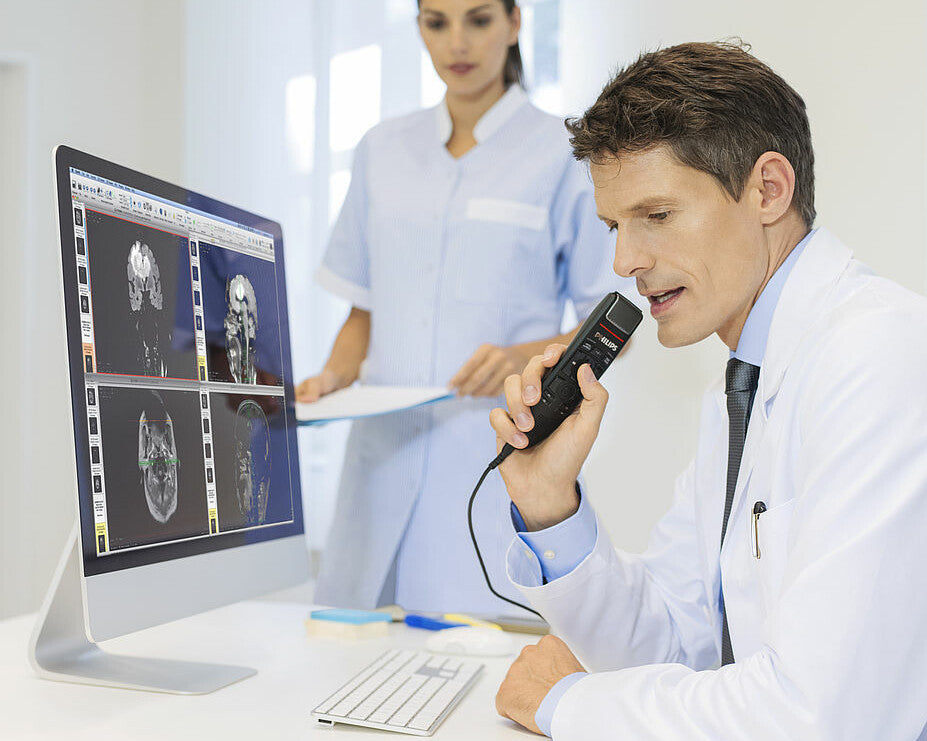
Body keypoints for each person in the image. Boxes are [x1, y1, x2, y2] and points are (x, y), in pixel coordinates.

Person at [490, 41, 927, 739]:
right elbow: (675, 645)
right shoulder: (739, 385)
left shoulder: (879, 357)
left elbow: (818, 715)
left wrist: (563, 703)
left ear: (767, 190)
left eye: (655, 215)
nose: (624, 260)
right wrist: (549, 506)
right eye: (614, 225)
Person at [296, 0, 629, 615]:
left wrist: (517, 356)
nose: (457, 43)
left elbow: (610, 323)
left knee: (474, 664)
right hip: (379, 456)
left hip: (487, 453)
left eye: (477, 20)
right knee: (349, 654)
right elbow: (364, 309)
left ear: (514, 22)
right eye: (436, 22)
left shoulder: (564, 153)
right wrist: (332, 377)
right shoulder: (381, 149)